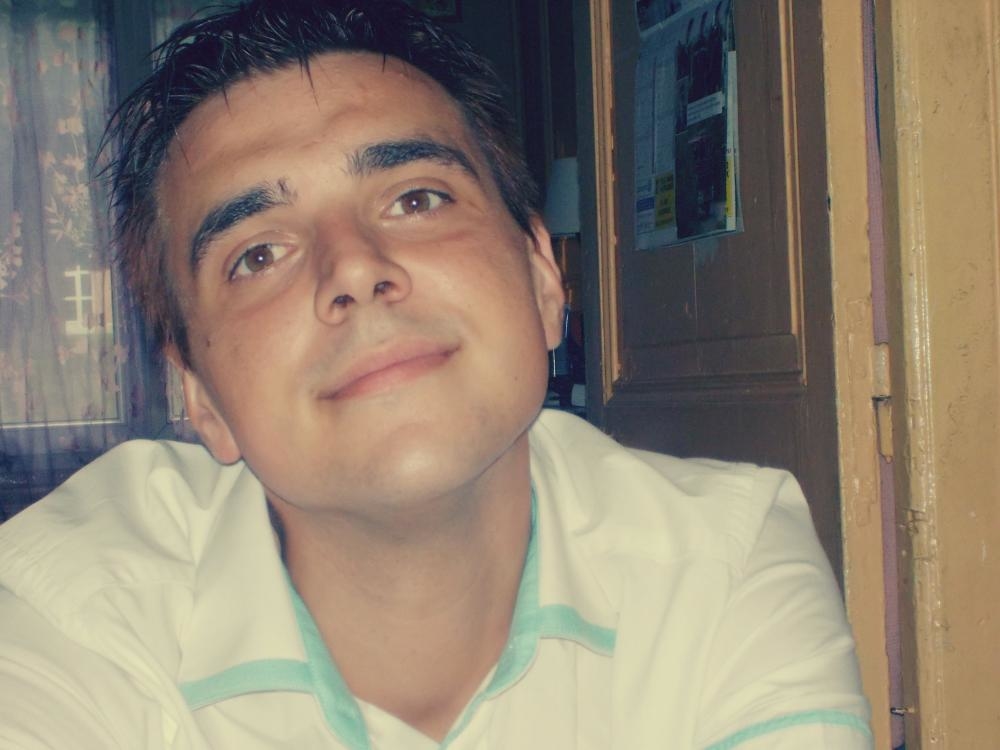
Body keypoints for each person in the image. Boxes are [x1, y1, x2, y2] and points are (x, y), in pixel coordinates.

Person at [0, 1, 872, 747]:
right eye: (258, 253)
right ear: (200, 397)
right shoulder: (65, 614)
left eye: (417, 199)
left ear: (543, 278)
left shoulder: (721, 561)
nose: (354, 267)